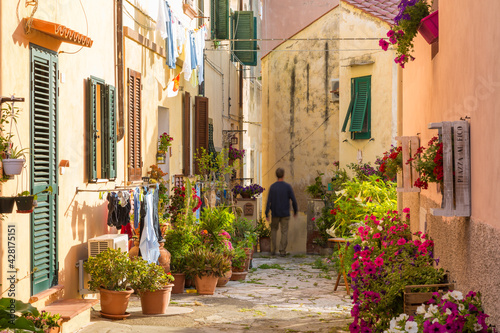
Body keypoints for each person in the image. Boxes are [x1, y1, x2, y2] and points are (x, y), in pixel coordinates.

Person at [265, 167, 298, 256]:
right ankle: (282, 250)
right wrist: (295, 211)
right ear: (283, 175)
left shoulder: (272, 187)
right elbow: (293, 200)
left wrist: (266, 213)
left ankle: (273, 249)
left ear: (276, 175)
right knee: (284, 231)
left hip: (275, 213)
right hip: (285, 213)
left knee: (274, 230)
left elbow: (269, 201)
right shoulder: (287, 187)